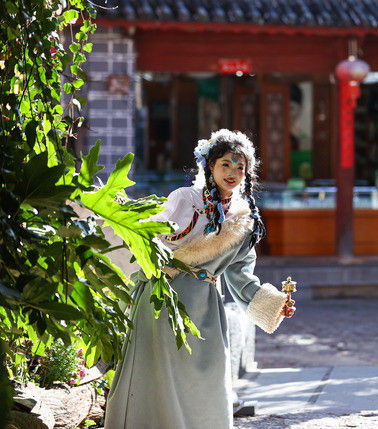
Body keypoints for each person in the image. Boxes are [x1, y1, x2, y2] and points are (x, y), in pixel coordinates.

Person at [105, 129, 295, 429]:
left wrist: (274, 304)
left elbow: (241, 277)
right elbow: (147, 238)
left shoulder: (244, 219)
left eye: (240, 167)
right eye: (225, 164)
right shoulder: (185, 199)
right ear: (210, 166)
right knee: (156, 378)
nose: (232, 172)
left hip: (205, 307)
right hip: (162, 300)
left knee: (207, 379)